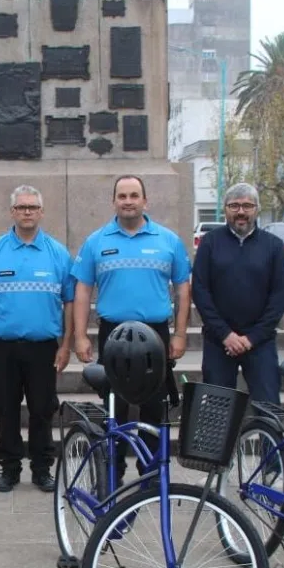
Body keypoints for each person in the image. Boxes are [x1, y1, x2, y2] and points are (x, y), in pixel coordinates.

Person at [71, 175, 191, 483]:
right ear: (114, 202)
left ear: (145, 201)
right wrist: (81, 335)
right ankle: (113, 471)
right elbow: (83, 289)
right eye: (122, 196)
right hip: (114, 335)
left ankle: (151, 472)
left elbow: (182, 287)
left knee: (154, 407)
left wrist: (179, 333)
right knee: (115, 406)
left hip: (156, 334)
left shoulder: (168, 240)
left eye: (134, 195)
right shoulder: (96, 241)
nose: (128, 201)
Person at [0, 185, 74, 493]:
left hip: (44, 348)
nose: (27, 212)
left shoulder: (58, 253)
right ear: (12, 212)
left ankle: (42, 469)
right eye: (21, 207)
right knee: (5, 407)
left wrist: (65, 346)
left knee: (43, 408)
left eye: (32, 207)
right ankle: (9, 469)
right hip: (3, 347)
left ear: (41, 212)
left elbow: (69, 302)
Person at [192, 183, 284, 404]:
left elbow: (279, 296)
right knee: (216, 414)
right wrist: (226, 334)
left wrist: (252, 338)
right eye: (234, 206)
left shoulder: (273, 246)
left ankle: (267, 439)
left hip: (260, 342)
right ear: (225, 209)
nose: (241, 212)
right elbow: (200, 291)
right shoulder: (209, 243)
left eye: (247, 205)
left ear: (257, 209)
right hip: (219, 341)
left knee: (268, 408)